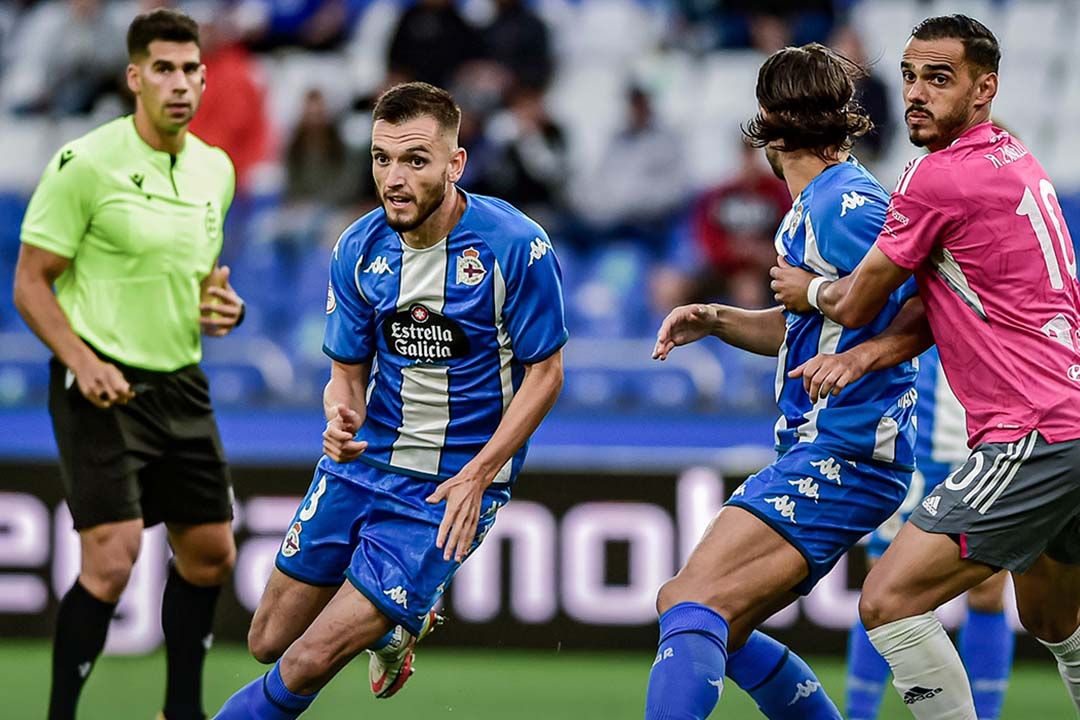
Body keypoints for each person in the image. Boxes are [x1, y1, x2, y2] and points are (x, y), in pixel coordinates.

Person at [212, 81, 567, 719]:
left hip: (446, 488)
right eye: (382, 159)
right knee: (267, 641)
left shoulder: (515, 246)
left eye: (415, 160)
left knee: (307, 660)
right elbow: (345, 373)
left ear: (455, 164)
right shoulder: (357, 247)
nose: (394, 179)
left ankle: (394, 609)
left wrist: (480, 474)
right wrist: (339, 415)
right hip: (363, 464)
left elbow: (546, 374)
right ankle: (400, 621)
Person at [769, 15, 1080, 719]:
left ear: (984, 88)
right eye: (909, 76)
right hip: (1070, 424)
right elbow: (935, 307)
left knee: (888, 598)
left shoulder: (937, 176)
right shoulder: (1015, 159)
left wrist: (807, 290)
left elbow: (855, 300)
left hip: (1032, 433)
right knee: (1053, 619)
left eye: (939, 78)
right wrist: (866, 356)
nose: (916, 92)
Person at [645, 43, 922, 720]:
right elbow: (817, 328)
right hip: (823, 449)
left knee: (693, 601)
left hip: (848, 453)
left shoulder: (845, 206)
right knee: (713, 620)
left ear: (768, 120)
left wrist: (854, 347)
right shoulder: (816, 204)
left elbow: (927, 305)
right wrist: (720, 319)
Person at [12, 9, 243, 720]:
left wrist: (220, 307)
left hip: (179, 379)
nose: (180, 84)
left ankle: (180, 713)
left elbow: (193, 282)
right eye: (164, 69)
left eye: (191, 69)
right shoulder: (85, 163)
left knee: (211, 554)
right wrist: (81, 360)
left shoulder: (216, 169)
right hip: (100, 382)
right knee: (112, 560)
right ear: (134, 77)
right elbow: (30, 283)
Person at [845, 347, 1014, 720]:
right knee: (883, 581)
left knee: (988, 589)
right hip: (916, 440)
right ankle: (859, 714)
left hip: (985, 441)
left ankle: (986, 714)